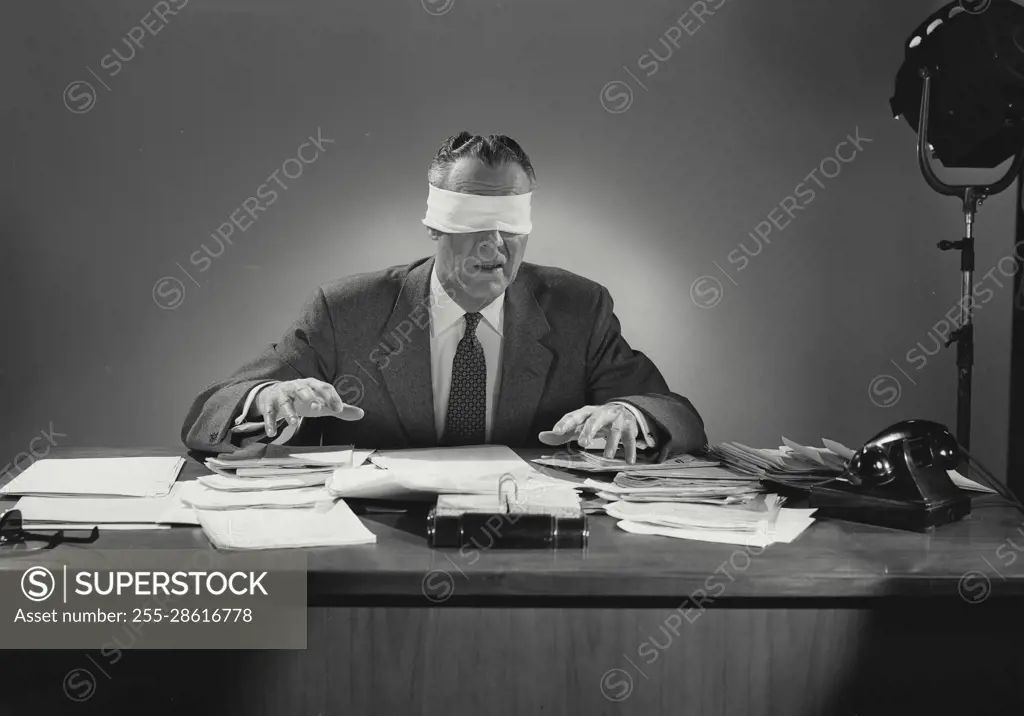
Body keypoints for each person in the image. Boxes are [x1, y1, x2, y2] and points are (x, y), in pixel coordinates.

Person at [181, 132, 707, 463]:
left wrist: (626, 414)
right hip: (378, 543)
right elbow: (210, 411)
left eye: (510, 226)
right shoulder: (347, 311)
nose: (494, 245)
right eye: (475, 223)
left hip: (529, 544)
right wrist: (264, 399)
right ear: (435, 226)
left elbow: (677, 414)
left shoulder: (578, 308)